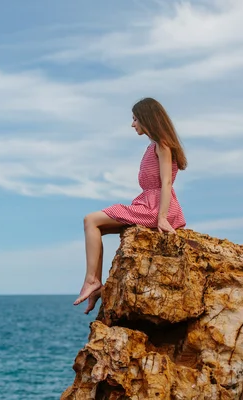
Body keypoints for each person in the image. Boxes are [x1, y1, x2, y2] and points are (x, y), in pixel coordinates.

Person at [74, 97, 187, 314]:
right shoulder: (153, 146)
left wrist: (161, 217)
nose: (132, 124)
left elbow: (166, 182)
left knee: (91, 219)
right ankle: (95, 284)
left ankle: (91, 280)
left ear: (147, 118)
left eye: (135, 119)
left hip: (155, 207)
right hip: (148, 203)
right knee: (96, 226)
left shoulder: (162, 145)